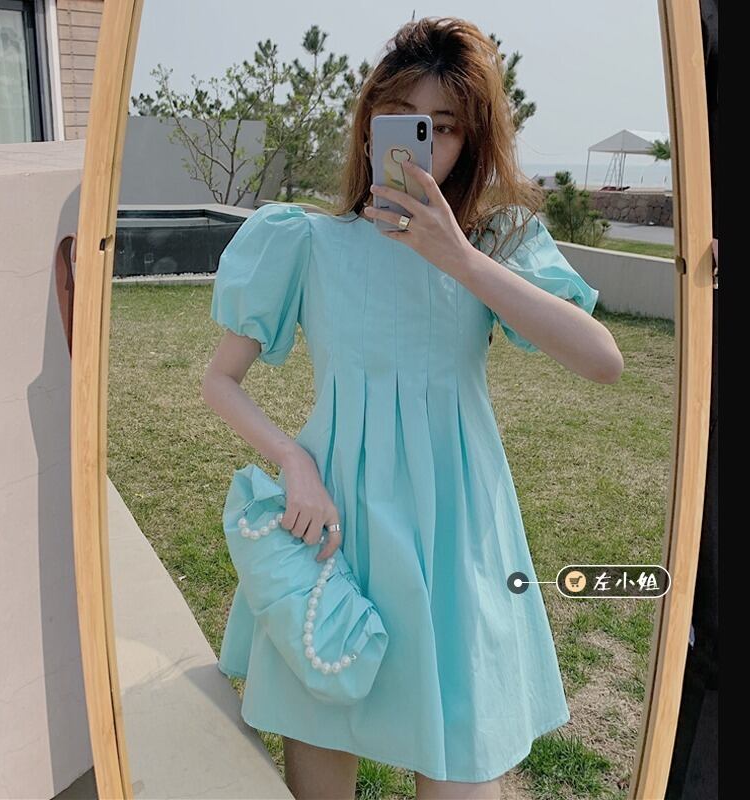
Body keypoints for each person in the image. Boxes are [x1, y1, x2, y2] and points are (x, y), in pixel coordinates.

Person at [203, 16, 623, 800]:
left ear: (470, 141)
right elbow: (219, 380)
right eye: (403, 118)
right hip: (333, 517)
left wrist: (456, 256)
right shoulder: (305, 241)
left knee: (459, 748)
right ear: (371, 125)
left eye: (446, 127)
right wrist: (292, 460)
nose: (422, 142)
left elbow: (602, 360)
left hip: (456, 522)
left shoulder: (497, 242)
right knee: (324, 730)